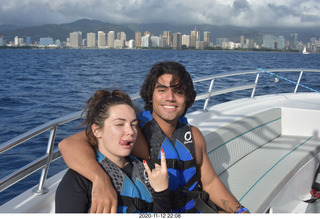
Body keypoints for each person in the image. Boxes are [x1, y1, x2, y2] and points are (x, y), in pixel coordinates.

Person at [59, 61, 249, 213]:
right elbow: (69, 144)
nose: (170, 98)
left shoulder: (193, 136)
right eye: (162, 90)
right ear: (151, 95)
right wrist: (100, 180)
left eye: (179, 91)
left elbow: (210, 183)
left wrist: (240, 211)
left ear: (187, 98)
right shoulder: (135, 130)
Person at [55, 89, 171, 213]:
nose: (131, 131)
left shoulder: (148, 170)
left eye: (133, 124)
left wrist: (161, 192)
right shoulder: (78, 181)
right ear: (97, 131)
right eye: (119, 124)